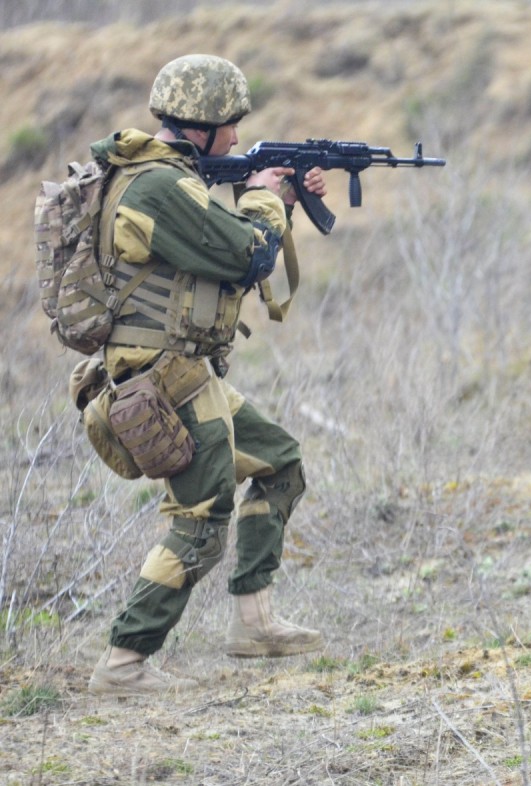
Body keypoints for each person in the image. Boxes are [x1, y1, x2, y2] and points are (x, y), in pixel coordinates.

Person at [85, 54, 327, 696]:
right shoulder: (158, 187)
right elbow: (247, 253)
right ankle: (123, 663)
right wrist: (267, 201)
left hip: (188, 374)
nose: (239, 138)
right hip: (164, 382)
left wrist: (277, 199)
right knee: (202, 515)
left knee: (279, 461)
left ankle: (255, 622)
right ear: (202, 126)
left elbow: (223, 246)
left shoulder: (166, 176)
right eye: (233, 126)